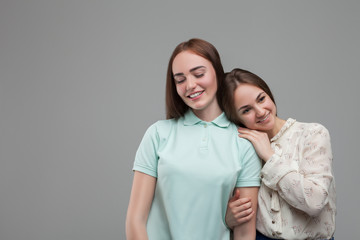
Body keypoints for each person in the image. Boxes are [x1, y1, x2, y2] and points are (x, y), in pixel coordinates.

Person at [125, 39, 262, 240]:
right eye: (180, 80)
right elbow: (135, 220)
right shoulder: (158, 134)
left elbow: (244, 232)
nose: (190, 85)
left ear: (217, 72)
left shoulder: (243, 142)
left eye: (199, 74)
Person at [223, 68, 336, 240]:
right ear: (236, 118)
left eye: (261, 99)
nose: (261, 111)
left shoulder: (313, 134)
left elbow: (315, 202)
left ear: (269, 94)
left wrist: (270, 157)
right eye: (246, 110)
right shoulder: (243, 149)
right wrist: (227, 219)